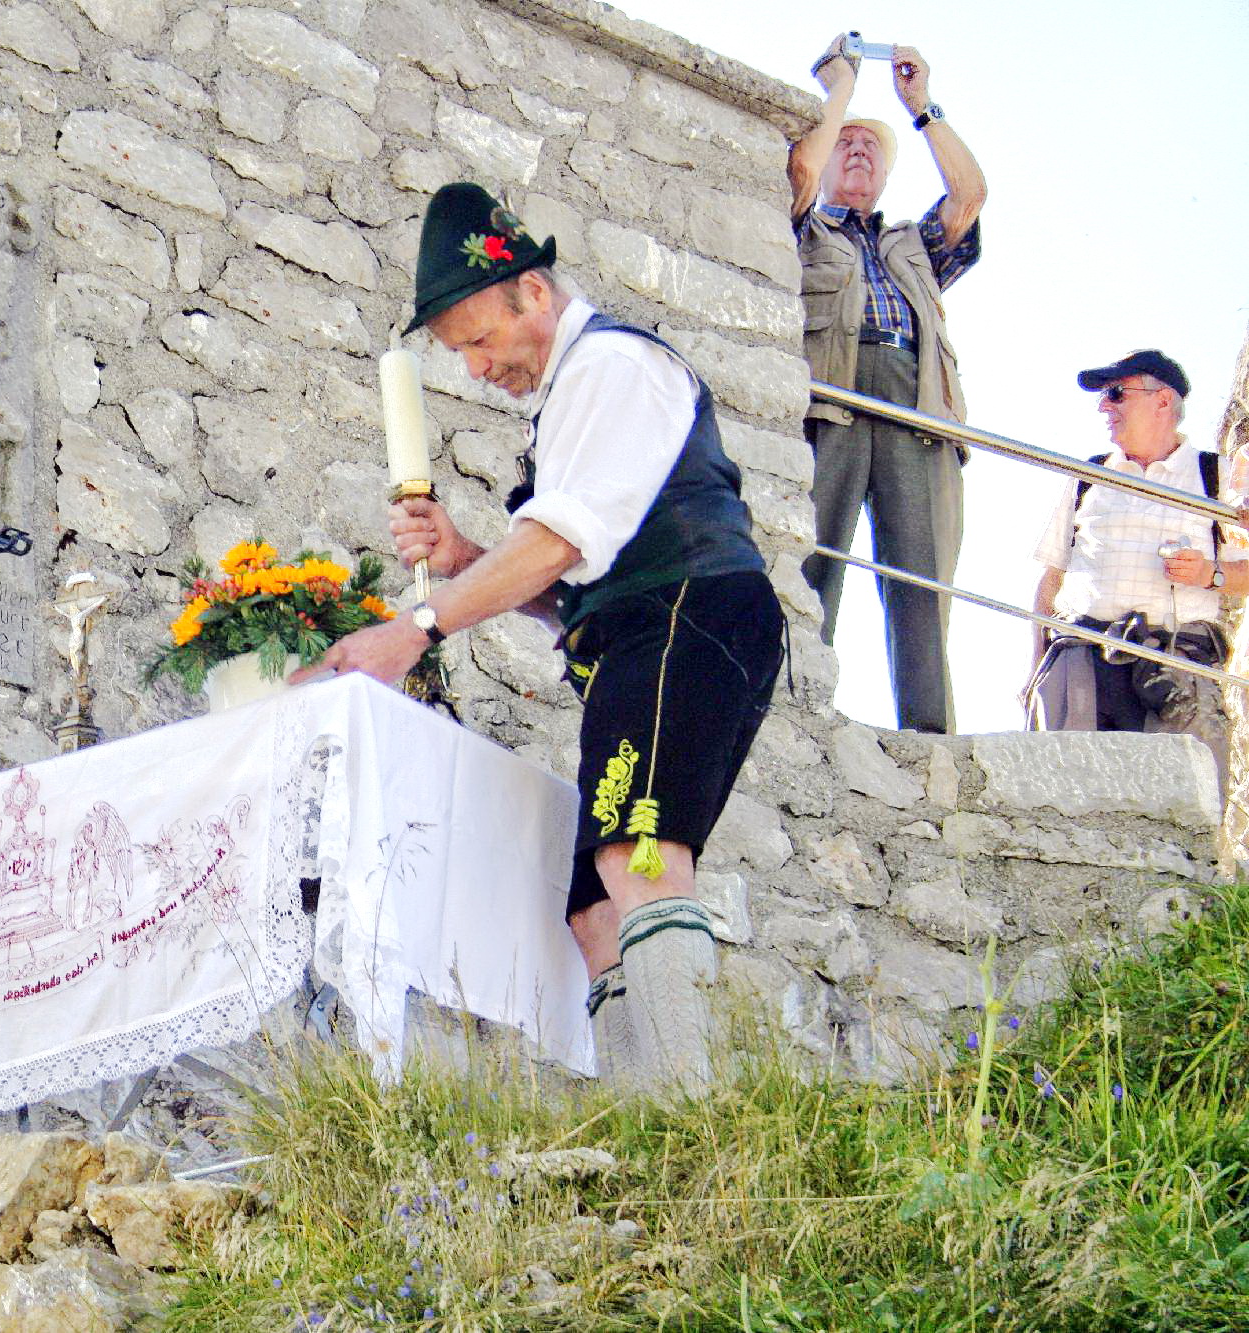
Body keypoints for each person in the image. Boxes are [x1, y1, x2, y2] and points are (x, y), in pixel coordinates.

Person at [293, 182, 784, 1094]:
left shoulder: (611, 369)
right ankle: (645, 1111)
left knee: (640, 855)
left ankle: (690, 1111)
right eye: (458, 353)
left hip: (690, 615)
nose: (475, 368)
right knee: (595, 913)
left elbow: (559, 542)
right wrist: (468, 553)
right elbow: (568, 586)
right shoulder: (564, 401)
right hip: (640, 631)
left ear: (535, 294)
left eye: (479, 341)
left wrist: (417, 627)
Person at [789, 34, 986, 733]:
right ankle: (796, 715)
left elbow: (970, 194)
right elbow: (796, 174)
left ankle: (930, 738)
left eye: (872, 147)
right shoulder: (804, 230)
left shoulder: (913, 242)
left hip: (915, 407)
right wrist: (839, 92)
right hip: (832, 402)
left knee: (921, 583)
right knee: (813, 566)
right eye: (846, 142)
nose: (859, 151)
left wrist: (919, 105)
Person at [1025, 350, 1239, 780]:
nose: (1104, 407)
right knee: (1063, 795)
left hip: (1177, 668)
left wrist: (1209, 574)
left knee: (1180, 813)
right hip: (1081, 660)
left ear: (1163, 401)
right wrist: (1033, 671)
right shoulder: (1089, 475)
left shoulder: (1218, 476)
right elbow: (1051, 579)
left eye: (1117, 394)